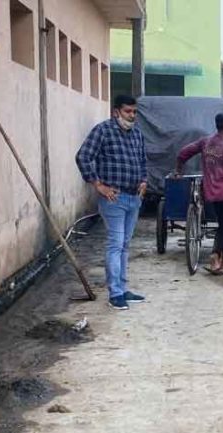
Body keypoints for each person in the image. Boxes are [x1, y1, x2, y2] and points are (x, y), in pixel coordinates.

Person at [75, 94, 147, 310]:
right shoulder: (103, 131)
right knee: (116, 244)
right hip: (113, 199)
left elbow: (143, 160)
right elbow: (83, 156)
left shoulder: (137, 134)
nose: (132, 116)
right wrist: (98, 184)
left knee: (125, 245)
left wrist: (144, 180)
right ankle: (115, 293)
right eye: (127, 111)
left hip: (134, 197)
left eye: (134, 112)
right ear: (116, 112)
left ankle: (123, 289)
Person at [175, 113, 223, 275]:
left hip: (211, 194)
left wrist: (178, 170)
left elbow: (183, 153)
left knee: (222, 226)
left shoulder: (205, 142)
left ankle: (219, 258)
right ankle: (220, 260)